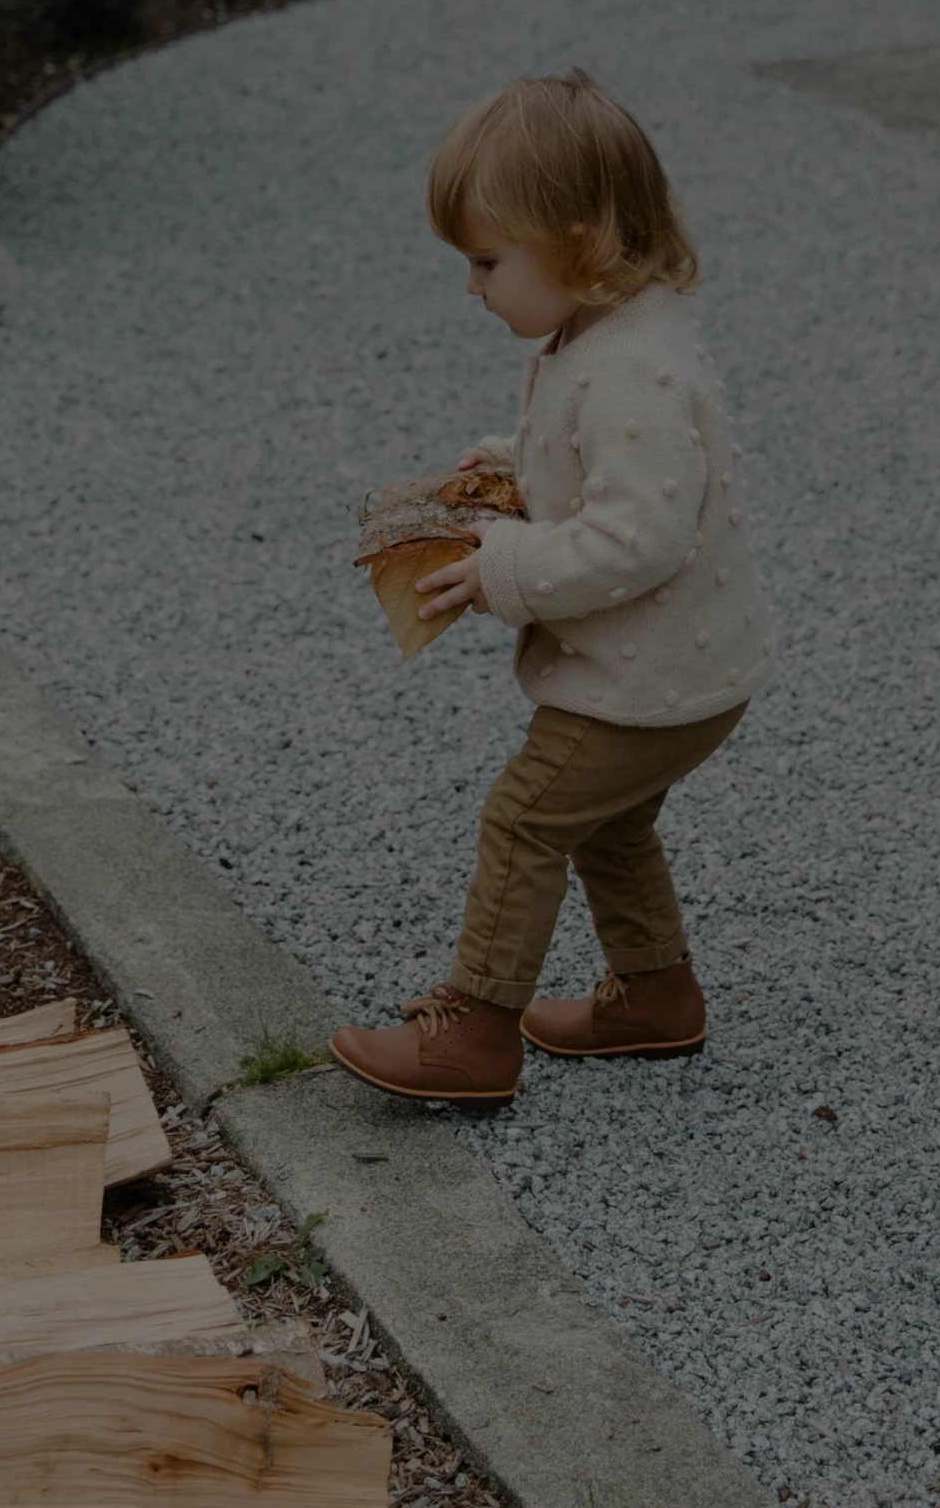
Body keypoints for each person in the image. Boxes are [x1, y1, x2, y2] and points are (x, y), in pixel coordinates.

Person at [327, 70, 776, 1111]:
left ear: (577, 240)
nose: (472, 286)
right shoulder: (600, 330)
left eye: (486, 261)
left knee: (526, 816)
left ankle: (474, 1033)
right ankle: (656, 995)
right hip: (686, 662)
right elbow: (600, 469)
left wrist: (504, 566)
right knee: (608, 820)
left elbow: (638, 536)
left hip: (649, 677)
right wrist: (514, 466)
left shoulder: (629, 372)